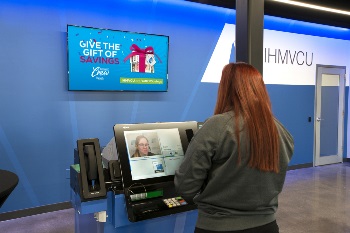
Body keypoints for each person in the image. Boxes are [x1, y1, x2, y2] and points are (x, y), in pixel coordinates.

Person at [174, 62, 294, 233]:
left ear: (226, 89)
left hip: (218, 227)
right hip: (267, 226)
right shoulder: (280, 131)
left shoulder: (217, 126)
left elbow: (185, 186)